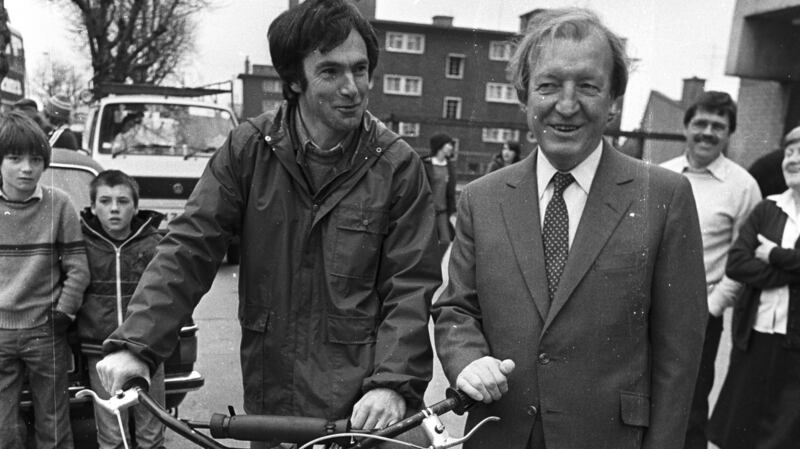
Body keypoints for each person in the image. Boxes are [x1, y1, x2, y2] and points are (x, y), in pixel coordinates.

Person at [95, 1, 441, 448]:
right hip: (273, 401)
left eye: (360, 69)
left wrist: (392, 384)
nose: (352, 87)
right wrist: (136, 344)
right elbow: (189, 247)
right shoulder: (249, 149)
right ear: (294, 80)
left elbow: (410, 285)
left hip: (364, 410)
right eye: (330, 72)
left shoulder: (397, 165)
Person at [431, 8, 707, 449]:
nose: (566, 104)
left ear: (613, 101)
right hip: (499, 434)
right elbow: (456, 309)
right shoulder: (481, 199)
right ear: (523, 97)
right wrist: (467, 360)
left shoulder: (664, 197)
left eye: (588, 86)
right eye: (548, 85)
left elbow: (679, 354)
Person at [660, 91, 762, 449]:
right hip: (650, 309)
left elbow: (745, 259)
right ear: (686, 127)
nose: (707, 132)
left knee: (689, 405)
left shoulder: (744, 187)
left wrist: (712, 307)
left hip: (701, 314)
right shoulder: (660, 175)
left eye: (718, 126)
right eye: (700, 123)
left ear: (729, 133)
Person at [0, 111, 90, 448]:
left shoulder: (59, 205)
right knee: (3, 427)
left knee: (54, 424)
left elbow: (78, 268)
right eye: (14, 158)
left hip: (46, 330)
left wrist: (63, 313)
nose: (26, 168)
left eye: (35, 160)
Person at [707, 125, 800, 449]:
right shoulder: (767, 209)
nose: (792, 159)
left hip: (796, 346)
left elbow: (756, 262)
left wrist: (773, 255)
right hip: (756, 337)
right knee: (741, 431)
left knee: (785, 436)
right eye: (789, 152)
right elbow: (737, 264)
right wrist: (793, 271)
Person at [76, 170, 166, 449]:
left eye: (123, 201)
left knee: (151, 427)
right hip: (101, 351)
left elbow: (166, 294)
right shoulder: (83, 242)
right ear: (93, 207)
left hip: (147, 349)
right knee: (112, 430)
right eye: (105, 201)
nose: (114, 208)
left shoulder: (154, 243)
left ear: (136, 207)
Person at [422, 133, 457, 256]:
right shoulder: (426, 164)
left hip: (443, 212)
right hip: (427, 211)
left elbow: (450, 190)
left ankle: (436, 263)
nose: (451, 147)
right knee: (425, 242)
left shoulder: (449, 166)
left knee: (445, 241)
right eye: (448, 144)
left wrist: (452, 209)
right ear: (440, 145)